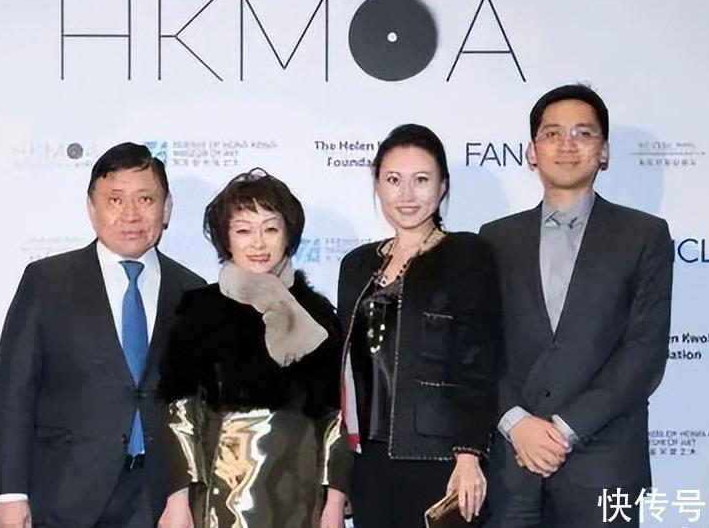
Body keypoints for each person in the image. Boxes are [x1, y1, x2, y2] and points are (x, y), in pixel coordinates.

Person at [481, 84, 674, 527]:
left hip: (604, 466)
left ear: (604, 152)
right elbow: (479, 347)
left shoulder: (644, 236)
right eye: (552, 134)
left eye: (582, 134)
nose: (566, 145)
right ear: (532, 152)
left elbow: (644, 352)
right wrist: (516, 423)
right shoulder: (494, 239)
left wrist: (565, 428)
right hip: (510, 465)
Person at [0, 142, 206, 528]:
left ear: (167, 208)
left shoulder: (192, 291)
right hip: (65, 494)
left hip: (159, 501)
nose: (131, 214)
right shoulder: (47, 282)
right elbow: (14, 392)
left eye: (145, 199)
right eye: (115, 200)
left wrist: (183, 492)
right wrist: (9, 493)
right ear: (91, 208)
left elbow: (195, 406)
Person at [155, 169, 349, 528]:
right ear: (226, 239)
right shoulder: (198, 312)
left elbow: (336, 419)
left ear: (288, 235)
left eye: (270, 229)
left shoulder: (319, 317)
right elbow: (179, 412)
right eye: (244, 230)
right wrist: (177, 499)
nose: (258, 243)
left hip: (302, 499)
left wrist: (334, 503)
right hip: (219, 498)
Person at [337, 124, 500, 528]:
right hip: (367, 461)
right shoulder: (356, 264)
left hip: (439, 457)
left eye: (421, 180)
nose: (406, 195)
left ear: (442, 187)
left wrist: (469, 456)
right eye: (394, 180)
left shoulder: (467, 254)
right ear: (377, 185)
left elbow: (480, 361)